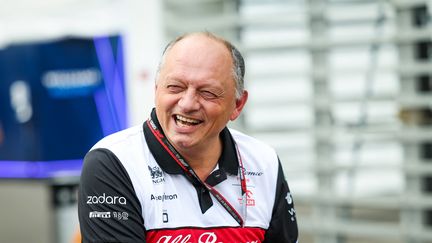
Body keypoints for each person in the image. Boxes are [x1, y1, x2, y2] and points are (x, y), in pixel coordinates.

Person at [78, 31, 298, 243]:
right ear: (156, 90)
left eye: (208, 92)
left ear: (237, 104)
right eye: (175, 87)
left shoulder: (263, 160)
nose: (187, 103)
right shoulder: (114, 161)